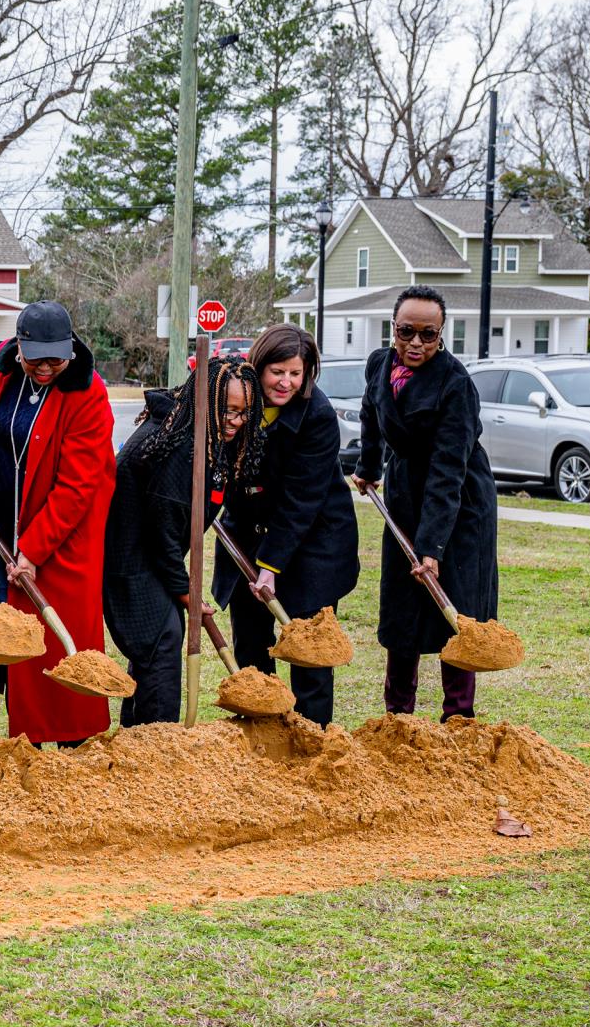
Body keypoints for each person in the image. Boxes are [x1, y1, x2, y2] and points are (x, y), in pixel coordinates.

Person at [0, 302, 116, 747]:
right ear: (18, 349)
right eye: (36, 359)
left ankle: (72, 748)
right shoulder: (2, 372)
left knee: (53, 653)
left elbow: (78, 486)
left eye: (57, 358)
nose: (47, 367)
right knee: (13, 647)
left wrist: (33, 549)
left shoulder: (88, 394)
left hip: (58, 547)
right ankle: (25, 748)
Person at [353, 285, 497, 720]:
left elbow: (448, 471)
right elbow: (370, 414)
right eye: (406, 331)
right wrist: (368, 465)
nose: (415, 343)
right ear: (393, 328)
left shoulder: (456, 385)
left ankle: (458, 717)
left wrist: (432, 548)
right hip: (403, 495)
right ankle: (398, 717)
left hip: (458, 504)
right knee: (402, 605)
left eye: (427, 334)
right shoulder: (380, 364)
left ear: (441, 333)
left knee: (452, 604)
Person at [104, 357, 266, 727]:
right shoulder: (180, 449)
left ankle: (138, 736)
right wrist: (187, 593)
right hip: (132, 561)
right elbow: (163, 533)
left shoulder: (189, 431)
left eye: (244, 413)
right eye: (227, 410)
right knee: (162, 642)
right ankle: (156, 743)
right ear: (203, 400)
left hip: (151, 557)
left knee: (155, 648)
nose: (236, 421)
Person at [211, 323, 359, 726]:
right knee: (251, 642)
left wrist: (271, 566)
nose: (286, 382)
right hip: (247, 533)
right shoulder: (237, 397)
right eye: (278, 371)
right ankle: (261, 731)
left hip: (314, 542)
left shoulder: (318, 415)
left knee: (309, 649)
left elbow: (301, 500)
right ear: (259, 365)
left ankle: (312, 736)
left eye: (296, 373)